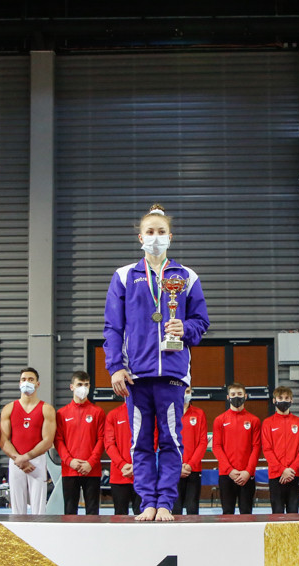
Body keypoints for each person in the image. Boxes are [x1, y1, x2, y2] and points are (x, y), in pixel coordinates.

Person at [104, 203, 210, 521]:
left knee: (171, 440)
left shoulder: (187, 277)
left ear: (170, 237)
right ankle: (147, 501)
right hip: (136, 374)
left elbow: (201, 322)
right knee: (140, 441)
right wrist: (115, 367)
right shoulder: (124, 276)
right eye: (149, 232)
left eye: (161, 232)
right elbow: (112, 327)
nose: (155, 237)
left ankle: (165, 502)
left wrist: (184, 327)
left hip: (173, 372)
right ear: (140, 237)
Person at [0, 368, 56, 515]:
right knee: (17, 509)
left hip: (36, 460)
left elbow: (48, 441)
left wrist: (26, 457)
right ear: (19, 383)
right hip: (15, 460)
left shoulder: (46, 409)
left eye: (31, 379)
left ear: (38, 384)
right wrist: (19, 459)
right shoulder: (9, 408)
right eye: (24, 379)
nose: (27, 382)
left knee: (38, 509)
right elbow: (3, 440)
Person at [55, 371, 105, 515]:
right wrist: (69, 461)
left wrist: (91, 462)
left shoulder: (98, 412)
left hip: (92, 470)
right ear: (72, 387)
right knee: (70, 512)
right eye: (79, 384)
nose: (83, 388)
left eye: (86, 385)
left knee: (93, 512)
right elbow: (58, 440)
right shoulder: (62, 413)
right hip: (70, 469)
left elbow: (102, 439)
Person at [212, 383, 262, 514]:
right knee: (227, 513)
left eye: (239, 394)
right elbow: (216, 447)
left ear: (245, 396)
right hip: (226, 475)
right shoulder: (219, 420)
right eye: (233, 394)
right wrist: (229, 470)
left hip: (247, 475)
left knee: (246, 513)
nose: (236, 397)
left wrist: (248, 472)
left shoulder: (254, 420)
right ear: (228, 397)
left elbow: (256, 447)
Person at [261, 385, 299, 514]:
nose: (283, 400)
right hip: (276, 475)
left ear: (291, 400)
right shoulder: (267, 423)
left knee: (293, 512)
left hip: (295, 475)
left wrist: (291, 469)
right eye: (280, 398)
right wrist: (282, 470)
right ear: (274, 400)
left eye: (287, 398)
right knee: (277, 513)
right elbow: (267, 450)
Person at [105, 400, 142, 515]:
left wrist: (137, 465)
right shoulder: (113, 415)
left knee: (142, 516)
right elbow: (109, 444)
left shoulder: (148, 413)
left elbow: (153, 442)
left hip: (142, 475)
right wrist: (122, 464)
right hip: (119, 475)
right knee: (120, 516)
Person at [177, 388, 207, 515]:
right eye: (182, 390)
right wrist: (177, 466)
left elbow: (203, 442)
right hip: (173, 471)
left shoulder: (199, 414)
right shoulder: (169, 413)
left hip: (193, 470)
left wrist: (190, 464)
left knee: (192, 510)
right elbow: (164, 443)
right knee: (174, 512)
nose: (185, 394)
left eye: (188, 391)